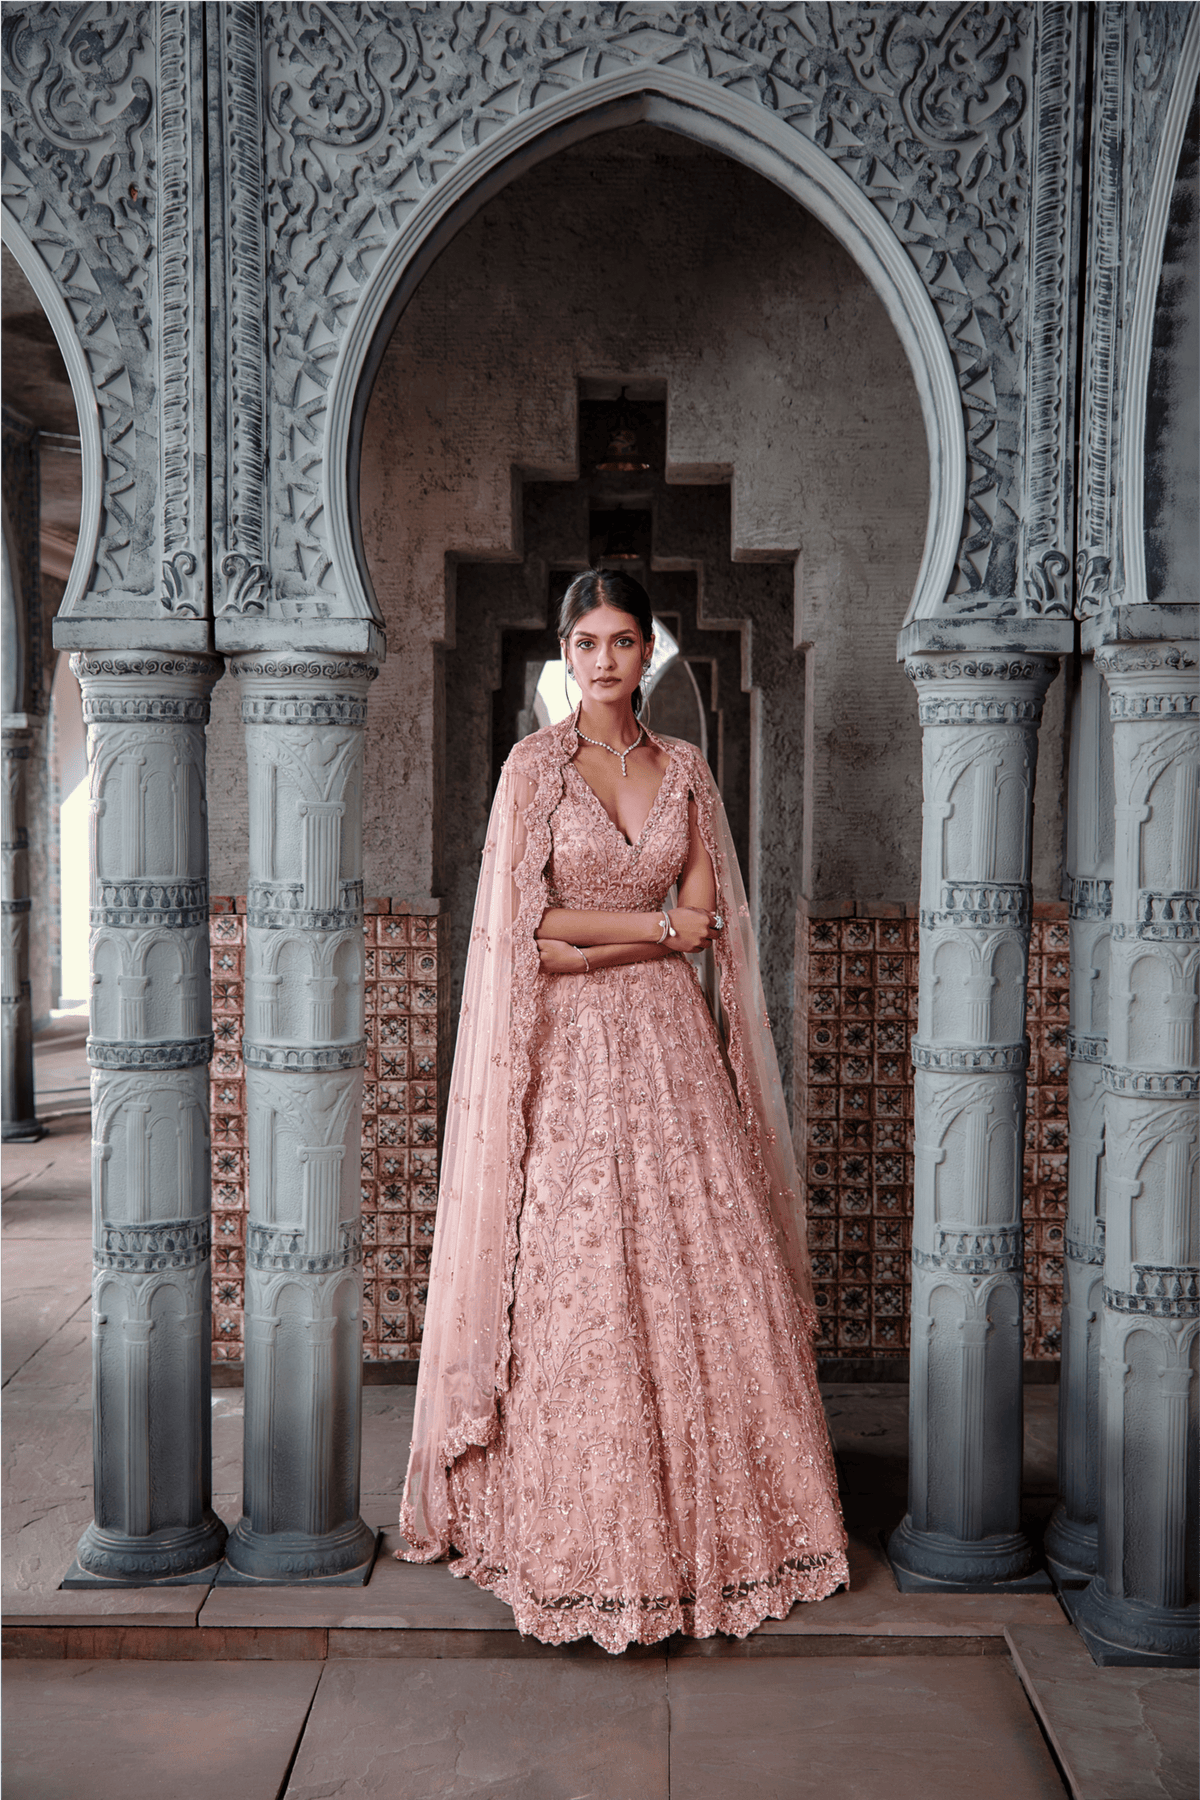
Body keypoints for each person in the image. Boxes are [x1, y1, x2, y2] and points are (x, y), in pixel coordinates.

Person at [399, 568, 848, 1652]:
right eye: (586, 641)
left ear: (653, 653)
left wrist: (606, 932)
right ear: (566, 653)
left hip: (673, 1051)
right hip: (568, 1058)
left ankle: (717, 1532)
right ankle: (582, 1535)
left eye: (623, 641)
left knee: (705, 1263)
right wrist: (643, 931)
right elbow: (525, 940)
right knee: (581, 1273)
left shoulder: (685, 768)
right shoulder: (533, 770)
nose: (604, 660)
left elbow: (702, 916)